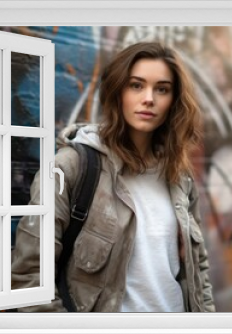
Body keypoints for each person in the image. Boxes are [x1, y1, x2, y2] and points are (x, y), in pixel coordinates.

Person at [11, 42, 215, 312]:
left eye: (162, 89)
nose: (149, 98)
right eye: (136, 85)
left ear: (173, 100)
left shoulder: (179, 176)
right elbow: (29, 278)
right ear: (117, 91)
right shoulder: (70, 168)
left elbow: (197, 269)